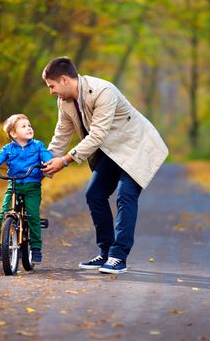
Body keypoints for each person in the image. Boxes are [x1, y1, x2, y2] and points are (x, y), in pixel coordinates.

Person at [41, 57, 168, 274]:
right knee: (94, 194)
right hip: (113, 150)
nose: (51, 91)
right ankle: (106, 252)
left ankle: (119, 257)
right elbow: (61, 135)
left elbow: (97, 135)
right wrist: (43, 167)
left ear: (64, 79)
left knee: (125, 195)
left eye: (51, 86)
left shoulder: (103, 91)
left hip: (137, 146)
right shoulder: (64, 101)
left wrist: (65, 161)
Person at [0, 114, 53, 262]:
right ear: (13, 133)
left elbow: (46, 155)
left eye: (29, 125)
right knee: (4, 214)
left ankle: (36, 248)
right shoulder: (8, 149)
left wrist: (48, 162)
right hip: (14, 185)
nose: (29, 128)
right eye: (23, 126)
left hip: (32, 186)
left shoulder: (38, 146)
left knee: (32, 214)